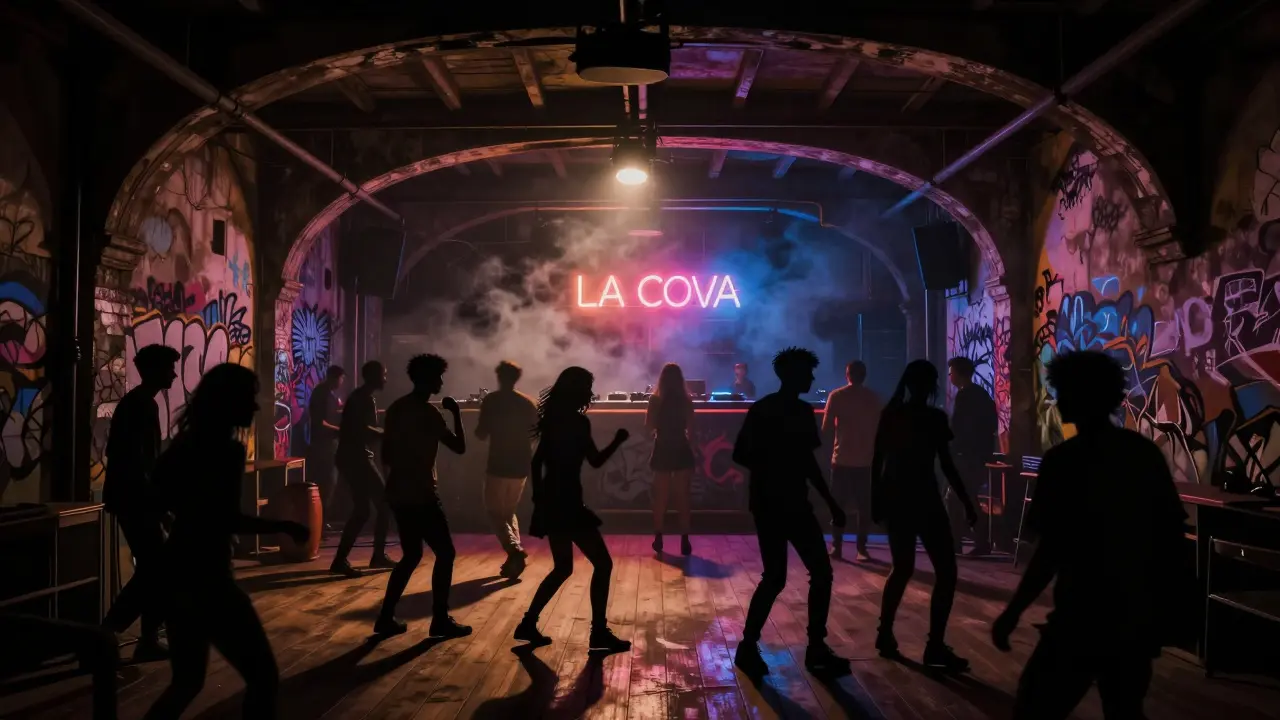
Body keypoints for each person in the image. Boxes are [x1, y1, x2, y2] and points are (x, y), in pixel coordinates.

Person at [993, 351, 1189, 720]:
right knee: (1125, 710)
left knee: (1034, 708)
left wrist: (1013, 612)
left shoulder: (1063, 462)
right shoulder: (1143, 454)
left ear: (1079, 396)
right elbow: (1170, 536)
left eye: (1063, 392)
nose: (1057, 401)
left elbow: (1048, 553)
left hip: (1079, 616)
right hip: (1132, 615)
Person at [143, 364, 310, 720]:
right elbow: (226, 519)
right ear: (229, 402)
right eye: (250, 397)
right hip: (210, 580)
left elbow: (156, 499)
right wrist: (284, 526)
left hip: (176, 574)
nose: (256, 406)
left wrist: (182, 521)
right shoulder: (227, 452)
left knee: (186, 682)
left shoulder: (184, 445)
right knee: (263, 677)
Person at [732, 347, 849, 676]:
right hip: (795, 503)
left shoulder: (762, 408)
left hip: (767, 502)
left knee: (774, 577)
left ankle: (748, 645)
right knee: (820, 572)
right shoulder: (801, 411)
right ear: (794, 375)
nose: (811, 377)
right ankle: (815, 648)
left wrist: (768, 466)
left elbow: (740, 454)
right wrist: (830, 501)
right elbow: (809, 463)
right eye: (807, 372)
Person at [514, 367, 631, 653]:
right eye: (587, 387)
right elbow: (596, 461)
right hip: (568, 502)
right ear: (579, 391)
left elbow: (536, 462)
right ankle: (598, 632)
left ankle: (528, 623)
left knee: (563, 567)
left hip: (553, 501)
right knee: (602, 564)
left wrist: (538, 498)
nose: (590, 392)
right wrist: (618, 441)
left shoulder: (553, 421)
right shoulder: (578, 423)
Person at [871, 359, 977, 672]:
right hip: (926, 499)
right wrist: (967, 501)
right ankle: (934, 645)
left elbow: (877, 461)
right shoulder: (934, 418)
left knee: (901, 568)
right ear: (932, 385)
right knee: (946, 571)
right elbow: (946, 464)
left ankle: (885, 633)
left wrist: (874, 500)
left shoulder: (891, 414)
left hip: (896, 498)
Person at [375, 354, 472, 638]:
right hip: (422, 493)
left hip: (398, 491)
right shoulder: (429, 413)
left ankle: (385, 617)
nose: (442, 381)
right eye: (439, 376)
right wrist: (456, 414)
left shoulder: (396, 408)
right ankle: (439, 619)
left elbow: (386, 454)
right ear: (429, 379)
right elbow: (459, 447)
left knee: (411, 555)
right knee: (446, 553)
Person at [101, 344, 181, 662]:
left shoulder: (139, 403)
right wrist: (160, 506)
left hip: (132, 498)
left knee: (154, 569)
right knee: (156, 570)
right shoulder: (142, 406)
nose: (174, 374)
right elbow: (139, 463)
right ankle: (110, 632)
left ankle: (139, 636)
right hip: (136, 500)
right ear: (155, 371)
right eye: (169, 368)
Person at [474, 360, 538, 579]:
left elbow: (481, 433)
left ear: (499, 376)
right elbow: (535, 434)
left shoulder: (492, 401)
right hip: (521, 465)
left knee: (494, 513)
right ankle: (514, 559)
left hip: (498, 463)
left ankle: (514, 549)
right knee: (509, 513)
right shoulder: (528, 403)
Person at [331, 361, 394, 577]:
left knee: (363, 510)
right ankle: (374, 556)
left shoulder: (360, 397)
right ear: (374, 377)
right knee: (382, 504)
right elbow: (362, 430)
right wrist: (386, 434)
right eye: (384, 374)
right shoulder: (364, 399)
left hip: (352, 458)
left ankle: (342, 560)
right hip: (356, 458)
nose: (386, 379)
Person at [821, 360, 882, 562]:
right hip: (865, 461)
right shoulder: (874, 398)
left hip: (842, 458)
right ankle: (861, 549)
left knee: (838, 505)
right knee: (864, 508)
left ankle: (836, 547)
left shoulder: (837, 396)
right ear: (865, 376)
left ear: (847, 375)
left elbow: (826, 428)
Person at [946, 356, 998, 555]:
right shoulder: (980, 394)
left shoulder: (965, 396)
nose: (949, 376)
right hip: (978, 455)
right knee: (965, 497)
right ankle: (972, 540)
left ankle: (969, 541)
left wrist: (954, 448)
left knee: (956, 498)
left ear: (959, 373)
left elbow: (959, 427)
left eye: (951, 372)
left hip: (966, 456)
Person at [647, 362, 696, 556]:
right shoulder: (686, 400)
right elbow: (692, 428)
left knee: (661, 496)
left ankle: (659, 537)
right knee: (682, 496)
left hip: (662, 448)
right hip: (681, 448)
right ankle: (685, 539)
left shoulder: (655, 400)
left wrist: (659, 432)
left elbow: (649, 425)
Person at [305, 365, 345, 526]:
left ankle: (321, 521)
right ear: (335, 377)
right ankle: (318, 522)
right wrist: (340, 430)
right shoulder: (321, 394)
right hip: (323, 446)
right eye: (341, 378)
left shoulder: (329, 394)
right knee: (326, 483)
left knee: (329, 483)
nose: (342, 382)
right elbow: (319, 422)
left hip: (329, 444)